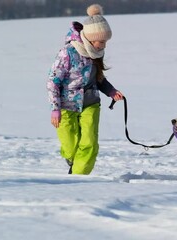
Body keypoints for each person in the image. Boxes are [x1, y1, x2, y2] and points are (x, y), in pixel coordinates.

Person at [47, 4, 124, 175]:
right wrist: (55, 108)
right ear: (90, 38)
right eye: (101, 41)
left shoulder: (96, 52)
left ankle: (78, 177)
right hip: (66, 105)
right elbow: (53, 81)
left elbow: (98, 78)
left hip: (91, 104)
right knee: (70, 144)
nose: (104, 45)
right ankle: (72, 160)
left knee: (89, 142)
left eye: (105, 42)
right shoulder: (67, 53)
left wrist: (111, 91)